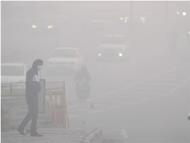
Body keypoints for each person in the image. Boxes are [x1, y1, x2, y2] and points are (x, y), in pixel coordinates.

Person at [18, 59, 43, 137]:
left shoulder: (36, 72)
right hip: (30, 95)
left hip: (34, 95)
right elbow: (29, 83)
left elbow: (36, 83)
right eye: (40, 64)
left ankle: (27, 129)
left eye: (41, 65)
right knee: (33, 113)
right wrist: (37, 87)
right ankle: (29, 130)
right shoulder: (31, 72)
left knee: (33, 113)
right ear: (36, 64)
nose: (41, 67)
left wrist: (38, 87)